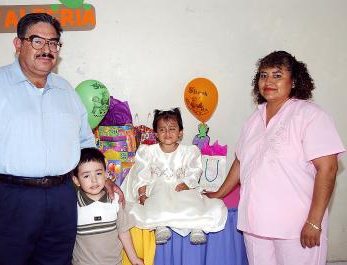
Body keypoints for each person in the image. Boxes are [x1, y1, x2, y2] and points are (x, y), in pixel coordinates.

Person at [0, 13, 121, 265]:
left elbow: (85, 142)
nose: (47, 49)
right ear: (18, 44)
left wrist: (100, 178)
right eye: (37, 41)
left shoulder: (67, 92)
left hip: (62, 197)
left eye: (53, 43)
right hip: (8, 197)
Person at [204, 51, 345, 265]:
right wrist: (218, 193)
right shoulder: (254, 119)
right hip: (255, 225)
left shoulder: (310, 115)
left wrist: (314, 222)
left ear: (294, 81)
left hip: (296, 228)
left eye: (277, 75)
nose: (268, 81)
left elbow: (328, 169)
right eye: (263, 75)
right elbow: (241, 162)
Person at [121, 108, 227, 244]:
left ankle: (196, 226)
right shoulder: (148, 152)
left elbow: (195, 170)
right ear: (156, 134)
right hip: (158, 186)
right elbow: (142, 174)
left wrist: (188, 183)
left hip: (181, 185)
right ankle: (160, 226)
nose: (167, 133)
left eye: (172, 129)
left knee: (190, 199)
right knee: (157, 199)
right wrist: (142, 194)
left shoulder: (189, 152)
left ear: (180, 133)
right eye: (162, 129)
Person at [71, 148, 144, 265]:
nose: (94, 180)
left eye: (98, 173)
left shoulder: (114, 200)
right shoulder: (73, 205)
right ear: (76, 180)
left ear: (106, 175)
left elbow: (123, 231)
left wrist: (134, 258)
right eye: (86, 176)